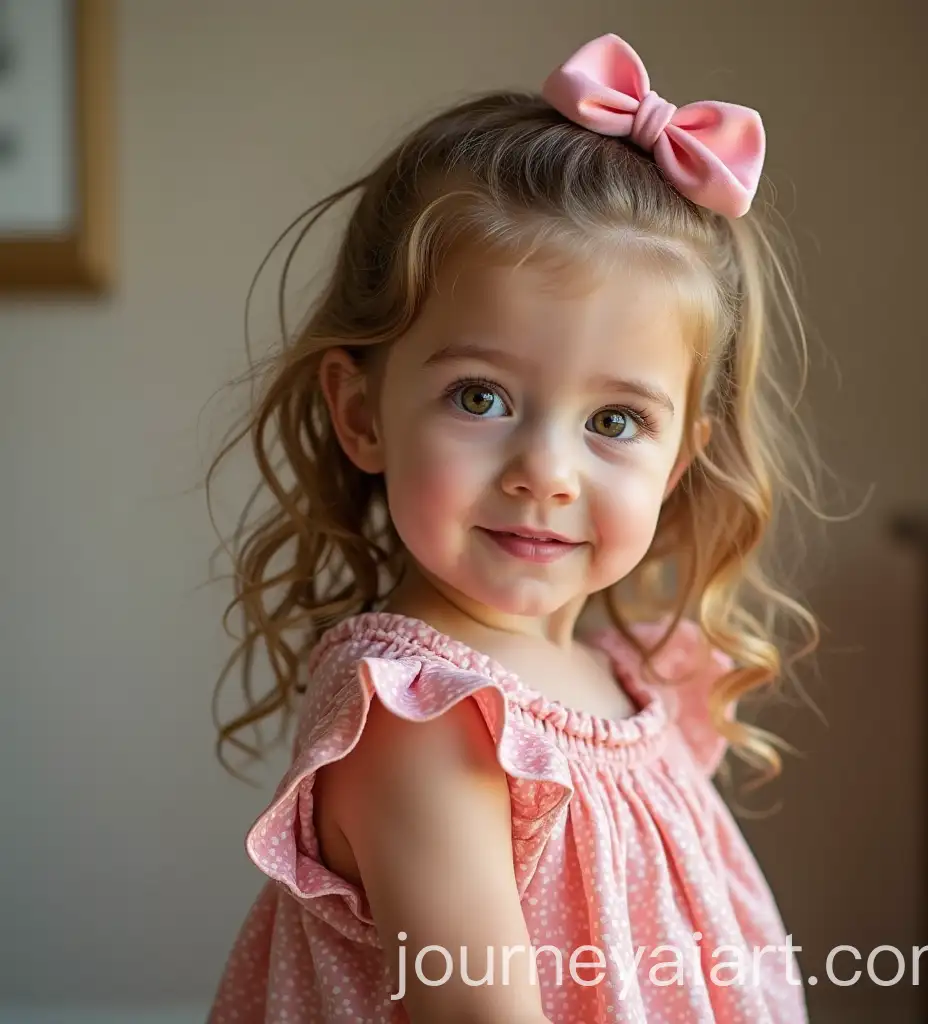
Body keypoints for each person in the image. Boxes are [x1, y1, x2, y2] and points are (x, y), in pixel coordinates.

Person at [207, 31, 820, 1024]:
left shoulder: (627, 675)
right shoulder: (421, 723)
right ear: (363, 412)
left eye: (614, 421)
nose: (544, 471)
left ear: (679, 456)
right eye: (481, 396)